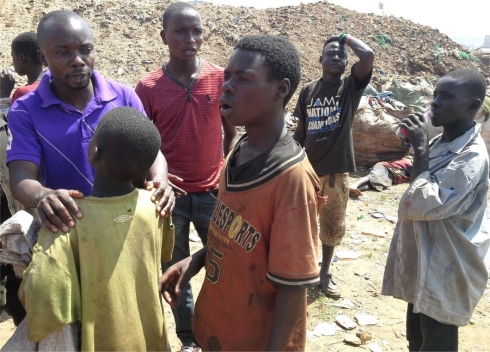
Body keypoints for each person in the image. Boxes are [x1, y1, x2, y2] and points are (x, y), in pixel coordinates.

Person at [160, 34, 323, 351]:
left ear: (281, 89)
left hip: (256, 340)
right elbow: (234, 234)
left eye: (243, 79)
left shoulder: (292, 179)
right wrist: (193, 262)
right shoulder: (239, 149)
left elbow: (292, 289)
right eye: (227, 77)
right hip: (219, 328)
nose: (227, 87)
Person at [6, 10, 175, 236]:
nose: (77, 60)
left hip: (128, 223)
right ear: (43, 57)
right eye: (63, 52)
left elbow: (151, 150)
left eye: (85, 50)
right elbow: (21, 177)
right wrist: (42, 195)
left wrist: (159, 180)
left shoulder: (122, 96)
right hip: (69, 229)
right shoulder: (26, 110)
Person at [19, 107, 174, 351]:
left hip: (101, 341)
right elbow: (163, 253)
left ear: (93, 152)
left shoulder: (66, 220)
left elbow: (44, 304)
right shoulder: (155, 206)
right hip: (149, 337)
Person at [135, 3, 237, 350]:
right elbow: (144, 143)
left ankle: (224, 328)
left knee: (224, 263)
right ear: (164, 37)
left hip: (213, 193)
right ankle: (189, 338)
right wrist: (157, 181)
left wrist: (225, 169)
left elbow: (231, 131)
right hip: (170, 199)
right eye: (180, 31)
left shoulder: (220, 77)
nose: (190, 38)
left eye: (196, 31)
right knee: (177, 269)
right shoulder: (148, 87)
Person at [382, 68, 490, 351]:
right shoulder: (443, 140)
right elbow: (424, 173)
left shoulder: (471, 156)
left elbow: (425, 203)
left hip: (448, 265)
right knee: (416, 336)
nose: (435, 102)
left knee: (437, 340)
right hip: (426, 259)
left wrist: (419, 149)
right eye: (436, 94)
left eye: (447, 96)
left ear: (472, 106)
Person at [293, 34, 374, 298]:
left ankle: (325, 273)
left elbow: (369, 56)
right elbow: (300, 134)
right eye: (330, 53)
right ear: (320, 59)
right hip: (308, 172)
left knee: (332, 227)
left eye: (341, 54)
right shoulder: (308, 90)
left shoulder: (350, 88)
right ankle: (303, 271)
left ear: (347, 62)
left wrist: (344, 38)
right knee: (302, 226)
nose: (336, 57)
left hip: (337, 174)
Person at [0, 31, 44, 220]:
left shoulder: (24, 92)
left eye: (13, 57)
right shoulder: (53, 84)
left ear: (22, 58)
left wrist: (4, 94)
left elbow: (11, 128)